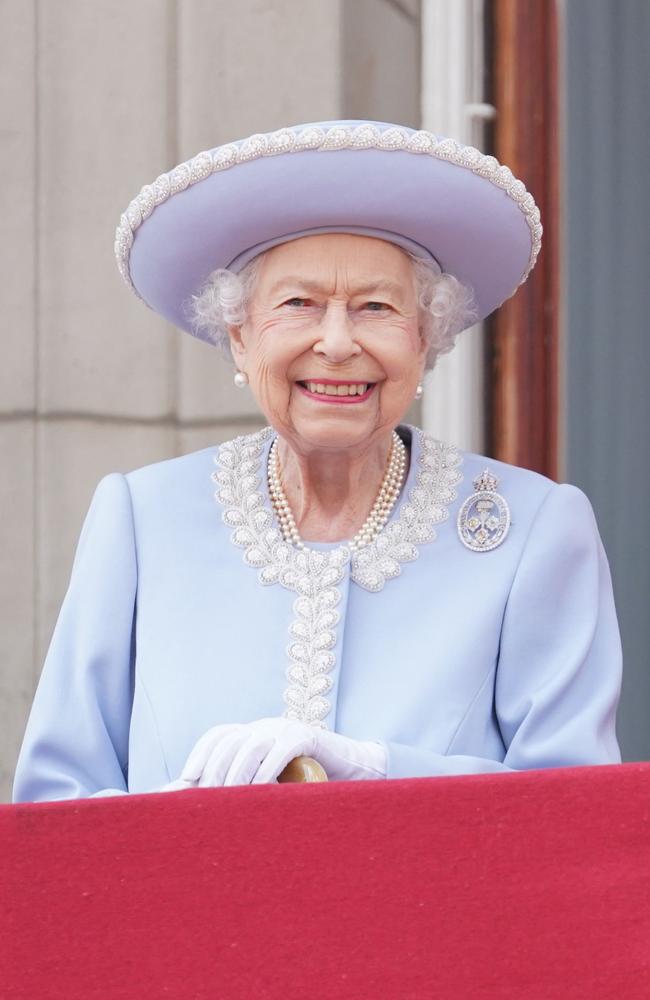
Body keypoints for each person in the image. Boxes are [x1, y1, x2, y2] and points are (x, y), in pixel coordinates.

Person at [13, 120, 622, 802]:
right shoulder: (141, 519)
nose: (336, 343)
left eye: (376, 307)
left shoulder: (534, 530)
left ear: (426, 340)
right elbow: (54, 804)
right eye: (299, 304)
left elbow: (576, 807)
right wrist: (179, 826)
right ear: (239, 337)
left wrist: (373, 767)